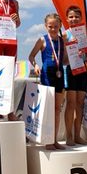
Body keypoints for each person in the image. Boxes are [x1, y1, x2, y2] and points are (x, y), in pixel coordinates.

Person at [29, 13, 67, 149]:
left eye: (56, 26)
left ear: (60, 26)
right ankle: (48, 140)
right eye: (50, 26)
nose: (53, 29)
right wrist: (35, 65)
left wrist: (76, 56)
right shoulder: (42, 40)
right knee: (48, 109)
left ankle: (54, 139)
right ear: (46, 26)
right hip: (47, 76)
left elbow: (65, 60)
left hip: (59, 76)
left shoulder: (62, 41)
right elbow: (31, 56)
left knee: (57, 109)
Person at [63, 5, 87, 146]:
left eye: (76, 17)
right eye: (71, 17)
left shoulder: (84, 35)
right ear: (67, 19)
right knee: (71, 103)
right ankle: (69, 136)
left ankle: (77, 135)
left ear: (81, 18)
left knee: (80, 104)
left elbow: (86, 55)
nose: (74, 19)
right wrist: (70, 49)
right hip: (69, 70)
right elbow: (62, 59)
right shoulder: (64, 35)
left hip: (82, 70)